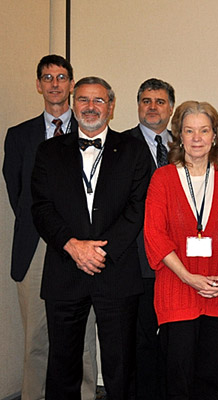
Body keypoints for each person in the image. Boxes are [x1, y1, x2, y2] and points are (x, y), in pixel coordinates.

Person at [31, 76, 151, 400]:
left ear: (111, 107)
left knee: (121, 367)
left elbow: (137, 208)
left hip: (116, 271)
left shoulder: (134, 150)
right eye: (83, 99)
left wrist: (100, 253)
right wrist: (73, 246)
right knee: (62, 366)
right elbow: (41, 209)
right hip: (64, 269)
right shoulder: (48, 151)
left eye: (99, 100)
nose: (90, 106)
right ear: (73, 103)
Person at [144, 101, 218, 399]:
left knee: (210, 377)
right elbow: (155, 234)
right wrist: (189, 277)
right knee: (177, 377)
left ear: (215, 135)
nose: (196, 138)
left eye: (204, 130)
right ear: (179, 135)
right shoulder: (163, 178)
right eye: (189, 130)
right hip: (176, 289)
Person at [2, 55, 97, 400]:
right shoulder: (19, 136)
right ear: (38, 84)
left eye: (62, 77)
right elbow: (18, 193)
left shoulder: (90, 127)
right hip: (35, 246)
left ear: (72, 85)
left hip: (80, 245)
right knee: (36, 336)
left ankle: (87, 394)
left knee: (84, 333)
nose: (55, 84)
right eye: (48, 77)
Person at [122, 77, 175, 400]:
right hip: (136, 261)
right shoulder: (121, 144)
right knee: (139, 339)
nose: (152, 107)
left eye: (159, 101)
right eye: (146, 101)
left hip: (180, 262)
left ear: (170, 107)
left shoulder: (185, 145)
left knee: (174, 339)